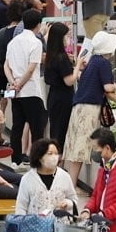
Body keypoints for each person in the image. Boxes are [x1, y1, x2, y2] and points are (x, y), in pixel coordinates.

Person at [62, 31, 116, 185]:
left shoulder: (93, 60)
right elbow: (108, 87)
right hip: (89, 109)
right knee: (80, 149)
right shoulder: (104, 63)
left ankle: (69, 183)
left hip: (78, 107)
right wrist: (114, 85)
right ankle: (71, 185)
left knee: (74, 147)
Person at [5, 9, 46, 165]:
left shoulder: (13, 41)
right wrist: (20, 84)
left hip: (15, 91)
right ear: (38, 24)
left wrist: (14, 83)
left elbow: (6, 66)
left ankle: (15, 160)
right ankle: (37, 161)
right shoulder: (36, 43)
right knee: (37, 128)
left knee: (17, 126)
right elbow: (31, 69)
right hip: (30, 90)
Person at [14, 138, 77, 216]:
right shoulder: (27, 179)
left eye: (56, 153)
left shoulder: (64, 176)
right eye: (50, 153)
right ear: (39, 157)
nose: (54, 157)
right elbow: (21, 207)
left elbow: (73, 199)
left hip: (60, 226)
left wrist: (67, 203)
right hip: (35, 225)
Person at [43, 22, 76, 150]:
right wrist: (77, 66)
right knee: (61, 133)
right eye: (67, 36)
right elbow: (69, 81)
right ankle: (57, 164)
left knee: (55, 130)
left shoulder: (51, 55)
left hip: (54, 97)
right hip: (63, 99)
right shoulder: (62, 58)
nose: (69, 39)